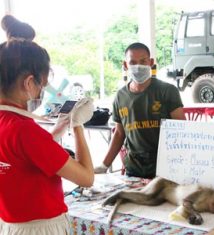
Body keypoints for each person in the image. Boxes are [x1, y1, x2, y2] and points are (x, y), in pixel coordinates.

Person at [0, 21, 94, 234]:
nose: (42, 91)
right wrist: (77, 125)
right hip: (40, 228)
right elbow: (86, 178)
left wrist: (56, 132)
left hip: (11, 226)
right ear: (29, 83)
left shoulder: (10, 124)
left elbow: (22, 159)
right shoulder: (26, 131)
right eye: (42, 84)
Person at [94, 42, 186, 178]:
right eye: (133, 62)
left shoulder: (167, 91)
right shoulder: (120, 96)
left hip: (164, 169)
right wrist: (104, 166)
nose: (138, 66)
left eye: (143, 61)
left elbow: (183, 129)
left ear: (151, 62)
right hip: (134, 169)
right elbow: (119, 134)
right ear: (125, 65)